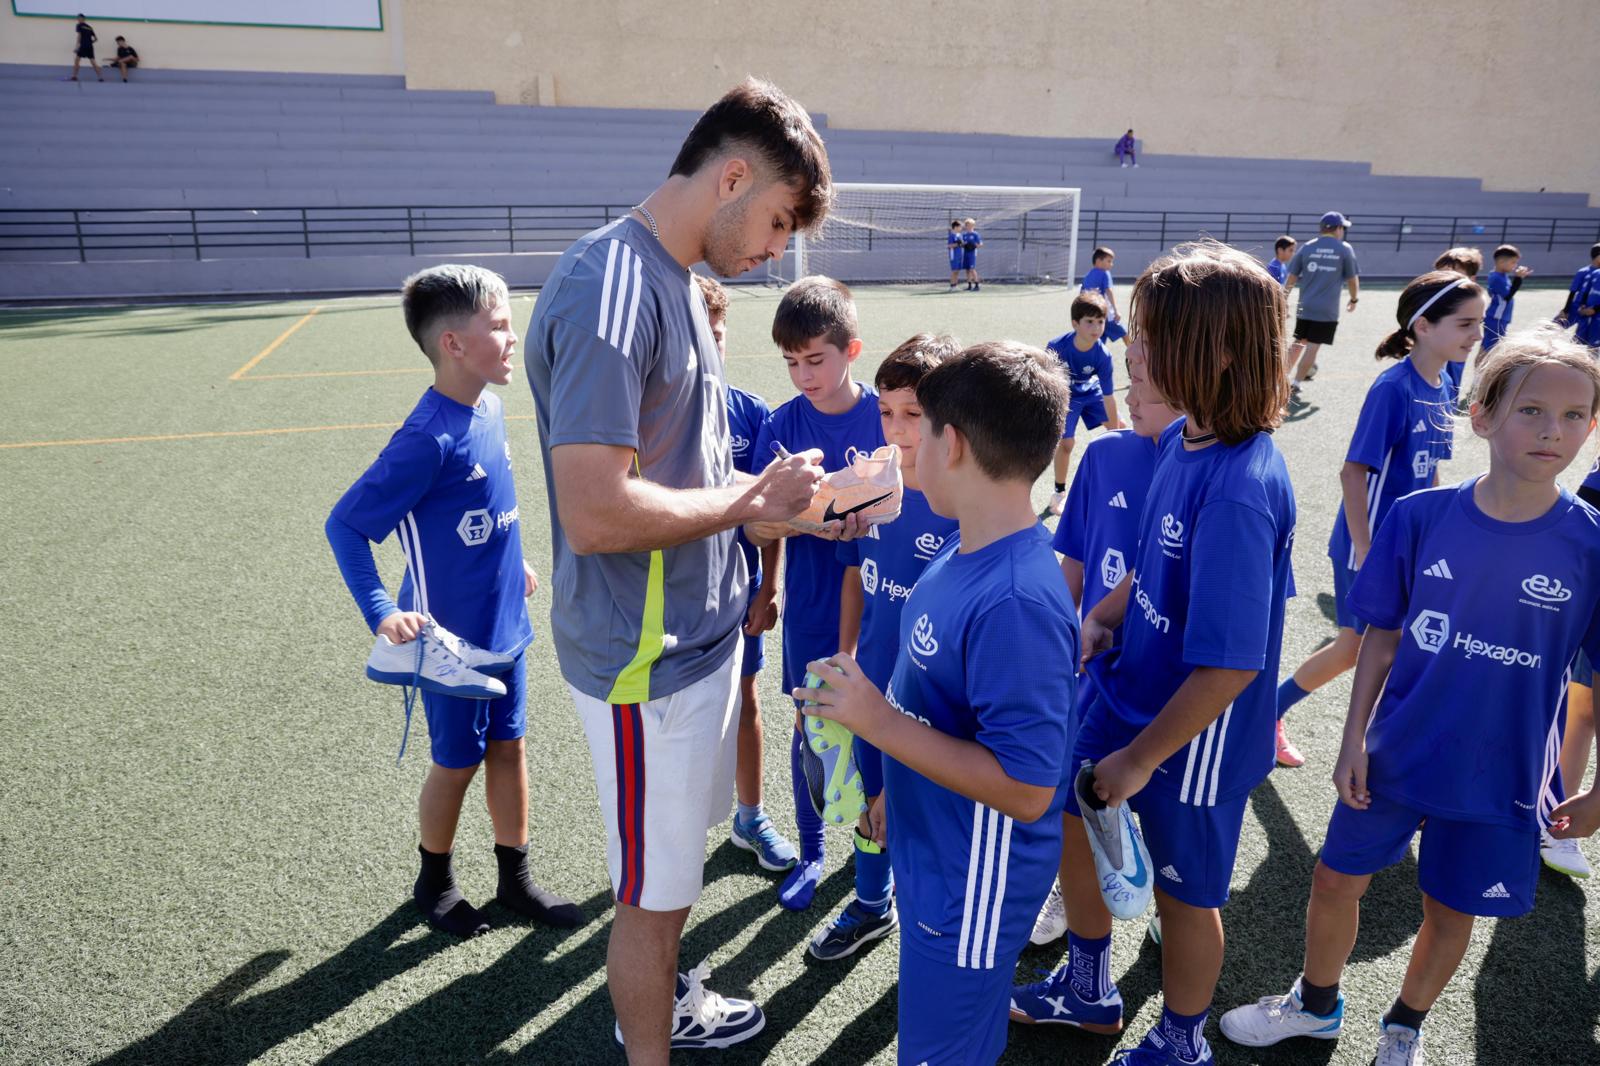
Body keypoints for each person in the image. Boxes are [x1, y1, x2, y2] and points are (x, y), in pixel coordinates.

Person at [523, 77, 831, 1061]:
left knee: (671, 877)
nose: (776, 248)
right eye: (777, 219)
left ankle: (664, 991)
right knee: (650, 900)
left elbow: (679, 466)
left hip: (698, 642)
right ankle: (648, 1031)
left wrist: (781, 493)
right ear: (731, 175)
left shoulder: (677, 283)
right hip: (641, 661)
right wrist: (749, 504)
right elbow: (597, 509)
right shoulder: (610, 282)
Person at [1218, 328, 1600, 1066]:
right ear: (1481, 415)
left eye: (1577, 414)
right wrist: (1353, 736)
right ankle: (1317, 1004)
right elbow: (1380, 638)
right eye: (1532, 410)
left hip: (1504, 775)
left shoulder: (1590, 547)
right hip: (1396, 753)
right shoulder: (1419, 516)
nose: (1555, 430)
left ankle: (1404, 1025)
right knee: (1334, 880)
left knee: (1450, 910)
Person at [1010, 243, 1296, 1066]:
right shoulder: (1185, 440)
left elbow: (1231, 667)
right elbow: (1152, 562)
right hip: (1126, 691)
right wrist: (1104, 612)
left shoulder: (1243, 486)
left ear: (1222, 352)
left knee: (1183, 897)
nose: (1135, 350)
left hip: (1191, 739)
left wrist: (1139, 759)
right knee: (1072, 814)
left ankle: (1180, 1039)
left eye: (1153, 335)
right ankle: (1090, 987)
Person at [798, 340, 1078, 1066]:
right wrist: (896, 779)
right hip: (935, 847)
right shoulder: (963, 550)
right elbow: (938, 713)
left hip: (972, 885)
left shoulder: (1017, 598)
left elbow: (1026, 787)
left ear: (949, 443)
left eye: (916, 429)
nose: (901, 446)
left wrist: (876, 722)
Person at [324, 265, 581, 939]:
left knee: (509, 747)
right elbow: (345, 525)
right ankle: (433, 880)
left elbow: (483, 506)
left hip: (506, 626)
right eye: (497, 325)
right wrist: (382, 609)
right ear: (452, 344)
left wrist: (512, 555)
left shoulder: (489, 407)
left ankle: (515, 878)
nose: (510, 335)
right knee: (457, 762)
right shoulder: (425, 436)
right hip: (448, 646)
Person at [1275, 272, 1484, 767]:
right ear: (1424, 326)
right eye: (1465, 323)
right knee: (1357, 648)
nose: (1478, 334)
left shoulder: (1444, 381)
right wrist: (1366, 550)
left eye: (1478, 322)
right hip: (1365, 545)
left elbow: (1431, 466)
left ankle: (1377, 744)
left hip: (1410, 545)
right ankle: (1271, 714)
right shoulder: (1393, 388)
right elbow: (1353, 473)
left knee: (1376, 647)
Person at [807, 332, 962, 961]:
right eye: (886, 412)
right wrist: (846, 658)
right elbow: (854, 577)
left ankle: (936, 922)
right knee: (869, 809)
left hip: (927, 699)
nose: (897, 430)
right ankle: (873, 905)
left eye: (913, 415)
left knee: (914, 810)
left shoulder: (960, 501)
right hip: (869, 682)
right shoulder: (869, 483)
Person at [1031, 336, 1183, 947]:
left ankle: (1169, 904)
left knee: (1158, 804)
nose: (1129, 390)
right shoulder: (1102, 455)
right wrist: (1059, 637)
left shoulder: (1210, 467)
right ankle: (1072, 895)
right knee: (1077, 795)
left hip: (1170, 680)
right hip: (1098, 669)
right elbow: (1073, 557)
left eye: (1145, 376)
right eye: (1129, 373)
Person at [747, 275, 885, 912]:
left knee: (883, 725)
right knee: (811, 722)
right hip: (811, 599)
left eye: (815, 360)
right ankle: (810, 852)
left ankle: (874, 859)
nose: (803, 374)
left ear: (851, 351)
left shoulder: (887, 414)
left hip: (884, 597)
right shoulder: (781, 424)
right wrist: (774, 576)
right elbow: (758, 522)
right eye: (791, 362)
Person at [694, 274, 797, 874]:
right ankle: (669, 821)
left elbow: (772, 513)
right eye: (699, 335)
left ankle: (750, 815)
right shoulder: (649, 415)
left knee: (746, 700)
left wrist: (769, 584)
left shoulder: (751, 413)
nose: (711, 345)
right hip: (673, 603)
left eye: (719, 332)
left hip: (736, 592)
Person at [1046, 291, 1122, 516]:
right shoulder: (1057, 347)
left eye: (1100, 322)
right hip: (1065, 394)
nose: (1096, 328)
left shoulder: (1103, 355)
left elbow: (1108, 396)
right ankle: (1059, 492)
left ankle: (1123, 477)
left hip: (1090, 392)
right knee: (1066, 444)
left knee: (1119, 428)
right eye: (1090, 322)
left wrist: (1116, 427)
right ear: (1075, 323)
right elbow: (1046, 382)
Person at [1285, 211, 1360, 402]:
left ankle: (1278, 379)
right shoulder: (1344, 249)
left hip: (1306, 305)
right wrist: (1354, 299)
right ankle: (1296, 384)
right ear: (1337, 229)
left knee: (1298, 342)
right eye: (1342, 227)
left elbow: (1292, 276)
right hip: (1326, 310)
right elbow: (1352, 279)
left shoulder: (1307, 247)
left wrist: (1283, 298)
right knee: (1313, 346)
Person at [1432, 247, 1485, 395]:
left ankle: (1448, 408)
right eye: (1442, 274)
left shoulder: (1472, 302)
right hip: (1432, 351)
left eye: (1455, 276)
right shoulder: (1431, 297)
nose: (1446, 280)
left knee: (1451, 381)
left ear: (1471, 279)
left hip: (1455, 349)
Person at [1482, 244, 1532, 355]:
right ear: (1501, 262)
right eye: (1513, 262)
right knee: (1491, 348)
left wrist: (1518, 278)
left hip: (1499, 317)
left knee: (1490, 346)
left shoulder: (1501, 275)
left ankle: (1481, 369)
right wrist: (1518, 278)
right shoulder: (1496, 277)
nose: (1515, 266)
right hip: (1496, 318)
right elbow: (1507, 296)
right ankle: (1482, 370)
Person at [1080, 246, 1129, 343]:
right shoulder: (1105, 273)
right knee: (1124, 333)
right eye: (1109, 261)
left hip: (1092, 315)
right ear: (1098, 261)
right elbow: (1109, 291)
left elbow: (1082, 294)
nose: (1111, 264)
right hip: (1106, 315)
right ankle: (1136, 357)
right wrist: (1116, 310)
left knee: (1098, 340)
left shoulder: (1087, 276)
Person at [68, 14, 102, 82]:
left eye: (79, 18)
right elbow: (96, 39)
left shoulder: (79, 25)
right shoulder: (89, 27)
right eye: (77, 18)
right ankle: (100, 77)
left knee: (77, 60)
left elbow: (79, 36)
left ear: (82, 19)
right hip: (90, 46)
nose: (78, 20)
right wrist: (89, 42)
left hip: (83, 46)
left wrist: (77, 47)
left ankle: (74, 76)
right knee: (93, 62)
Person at [962, 218, 983, 291]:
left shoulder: (975, 234)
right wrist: (963, 244)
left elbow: (980, 244)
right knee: (967, 270)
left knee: (972, 269)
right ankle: (969, 285)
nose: (969, 227)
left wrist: (974, 245)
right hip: (966, 253)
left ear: (973, 226)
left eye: (971, 225)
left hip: (972, 253)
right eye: (967, 225)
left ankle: (977, 285)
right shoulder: (964, 235)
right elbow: (962, 244)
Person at [948, 221, 964, 290]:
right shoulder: (952, 235)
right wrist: (957, 244)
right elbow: (949, 245)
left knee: (957, 271)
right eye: (960, 227)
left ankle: (955, 285)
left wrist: (963, 244)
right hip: (954, 255)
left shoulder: (960, 235)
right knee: (954, 271)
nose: (961, 228)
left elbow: (961, 244)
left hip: (959, 254)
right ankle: (952, 286)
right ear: (956, 227)